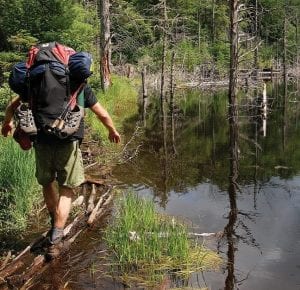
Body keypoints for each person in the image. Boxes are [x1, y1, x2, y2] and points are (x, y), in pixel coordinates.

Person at [1, 85, 120, 259]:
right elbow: (100, 112)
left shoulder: (38, 81)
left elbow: (12, 106)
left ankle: (53, 225)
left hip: (41, 141)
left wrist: (7, 123)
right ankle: (55, 242)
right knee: (67, 189)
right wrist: (112, 130)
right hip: (67, 142)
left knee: (47, 183)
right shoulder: (79, 85)